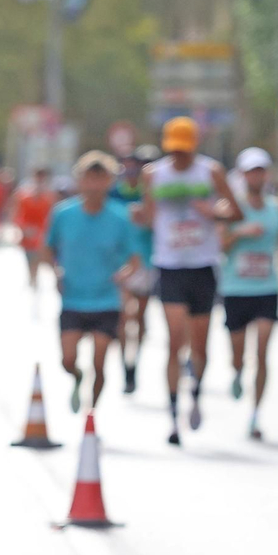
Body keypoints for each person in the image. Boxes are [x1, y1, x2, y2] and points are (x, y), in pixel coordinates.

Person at [140, 117, 242, 444]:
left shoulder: (210, 172)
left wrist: (214, 213)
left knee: (199, 345)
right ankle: (173, 415)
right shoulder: (153, 174)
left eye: (184, 150)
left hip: (203, 265)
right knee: (175, 341)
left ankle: (195, 393)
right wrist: (138, 219)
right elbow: (148, 217)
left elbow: (236, 212)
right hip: (170, 265)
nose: (179, 156)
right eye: (174, 150)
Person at [41, 151, 143, 413]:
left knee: (99, 361)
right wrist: (56, 272)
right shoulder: (63, 213)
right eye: (89, 178)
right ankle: (77, 377)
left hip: (106, 300)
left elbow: (134, 259)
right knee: (67, 359)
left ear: (110, 181)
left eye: (101, 179)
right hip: (73, 298)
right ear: (79, 180)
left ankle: (91, 413)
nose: (94, 185)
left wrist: (124, 275)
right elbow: (48, 249)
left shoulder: (120, 216)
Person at [219, 147, 278, 441]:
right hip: (236, 289)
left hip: (266, 288)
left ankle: (255, 414)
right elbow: (220, 246)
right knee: (239, 355)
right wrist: (241, 232)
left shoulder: (276, 209)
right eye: (251, 172)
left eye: (260, 171)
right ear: (242, 175)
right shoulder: (230, 208)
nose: (256, 177)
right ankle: (236, 371)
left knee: (262, 351)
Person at [111, 145, 161, 393]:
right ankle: (124, 366)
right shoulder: (115, 193)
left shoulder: (153, 193)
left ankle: (135, 363)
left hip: (147, 262)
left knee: (140, 317)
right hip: (122, 261)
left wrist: (149, 217)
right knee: (123, 317)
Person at [10, 167, 57, 290]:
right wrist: (24, 228)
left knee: (38, 258)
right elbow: (17, 214)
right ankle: (32, 279)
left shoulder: (50, 197)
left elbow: (53, 216)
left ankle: (35, 280)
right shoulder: (24, 195)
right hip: (28, 234)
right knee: (29, 258)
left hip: (43, 234)